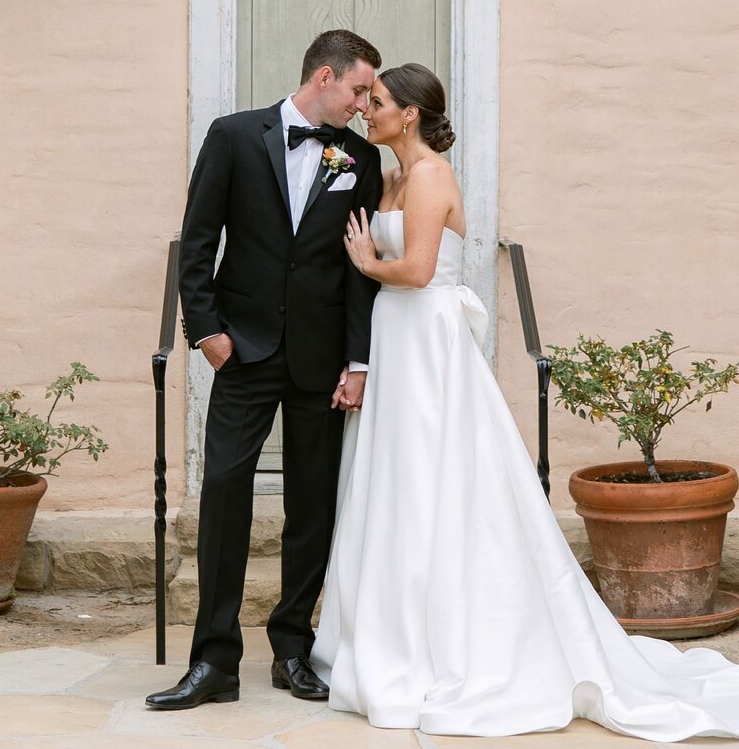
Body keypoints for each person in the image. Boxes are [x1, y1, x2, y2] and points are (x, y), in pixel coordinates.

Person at [312, 62, 739, 741]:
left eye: (381, 102)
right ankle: (392, 633)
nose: (369, 110)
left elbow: (418, 271)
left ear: (412, 114)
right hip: (397, 341)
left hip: (427, 344)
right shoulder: (391, 175)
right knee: (396, 483)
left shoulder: (428, 177)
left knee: (435, 479)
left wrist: (368, 263)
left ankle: (455, 642)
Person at [146, 29, 383, 712]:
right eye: (359, 89)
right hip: (242, 350)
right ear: (324, 77)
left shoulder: (360, 157)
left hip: (322, 358)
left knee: (313, 504)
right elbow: (198, 237)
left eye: (371, 94)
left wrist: (358, 361)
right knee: (224, 490)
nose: (365, 104)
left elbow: (359, 271)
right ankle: (214, 661)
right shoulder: (233, 136)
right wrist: (207, 332)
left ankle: (291, 649)